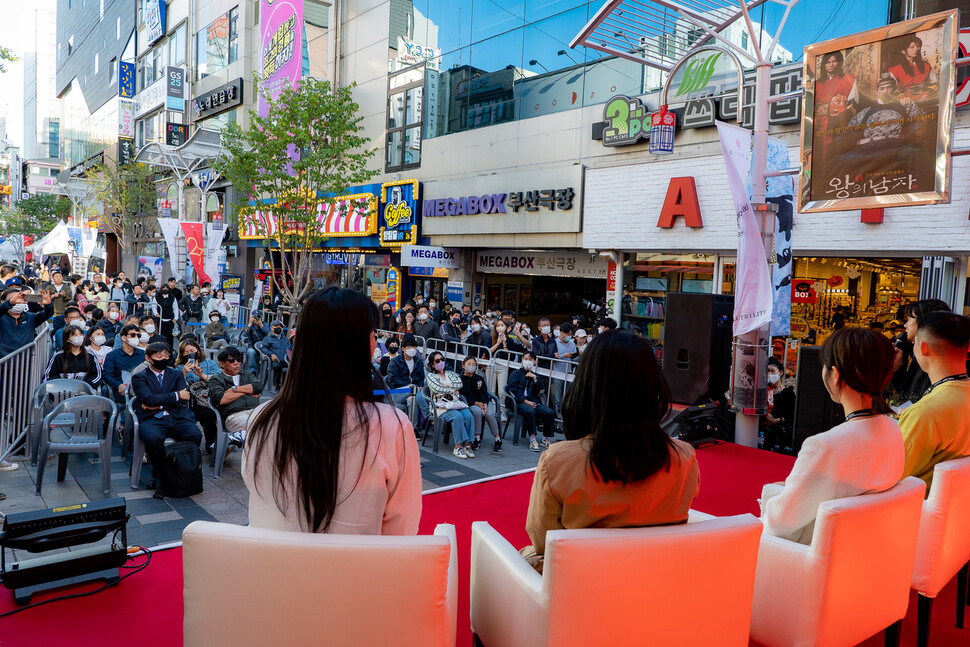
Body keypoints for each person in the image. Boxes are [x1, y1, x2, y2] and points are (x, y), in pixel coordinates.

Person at [243, 287, 421, 534]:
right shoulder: (395, 428)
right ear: (356, 347)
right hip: (362, 571)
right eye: (373, 335)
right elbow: (401, 530)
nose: (376, 343)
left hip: (274, 569)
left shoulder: (261, 421)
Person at [520, 330, 700, 573]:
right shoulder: (684, 456)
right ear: (652, 386)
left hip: (585, 591)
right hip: (659, 584)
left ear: (586, 385)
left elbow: (543, 543)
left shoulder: (557, 461)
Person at [760, 328, 904, 545]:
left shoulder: (826, 446)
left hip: (812, 559)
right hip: (866, 548)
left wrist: (770, 497)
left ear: (835, 375)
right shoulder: (895, 429)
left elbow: (778, 523)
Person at [898, 311, 970, 491]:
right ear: (968, 347)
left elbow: (891, 474)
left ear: (923, 348)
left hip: (917, 509)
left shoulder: (926, 413)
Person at [130, 342, 202, 497]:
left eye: (167, 355)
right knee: (153, 438)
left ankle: (183, 468)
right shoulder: (140, 377)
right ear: (148, 358)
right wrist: (174, 396)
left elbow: (184, 399)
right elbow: (148, 398)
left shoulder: (175, 374)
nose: (164, 358)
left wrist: (157, 403)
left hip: (177, 416)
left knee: (194, 434)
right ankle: (160, 472)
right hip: (152, 418)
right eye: (159, 356)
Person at [893, 298, 951, 403]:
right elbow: (907, 392)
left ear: (924, 322)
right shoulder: (917, 352)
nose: (906, 325)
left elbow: (912, 396)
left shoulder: (932, 358)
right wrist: (897, 367)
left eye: (909, 319)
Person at [208, 346, 263, 449]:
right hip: (234, 416)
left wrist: (235, 389)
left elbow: (258, 387)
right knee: (263, 427)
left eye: (238, 359)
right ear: (222, 363)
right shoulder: (216, 379)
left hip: (255, 411)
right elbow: (221, 399)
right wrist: (247, 392)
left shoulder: (246, 374)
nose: (236, 363)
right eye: (231, 360)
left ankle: (241, 434)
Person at [426, 351, 476, 459]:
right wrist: (451, 388)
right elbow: (436, 388)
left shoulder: (451, 374)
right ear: (432, 364)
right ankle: (457, 447)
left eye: (442, 359)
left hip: (455, 403)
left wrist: (445, 385)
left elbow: (459, 384)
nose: (441, 362)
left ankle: (467, 445)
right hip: (440, 406)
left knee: (468, 415)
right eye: (437, 361)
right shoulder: (431, 376)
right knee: (457, 417)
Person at [175, 339, 222, 453]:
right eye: (186, 352)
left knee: (209, 415)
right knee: (186, 421)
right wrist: (184, 373)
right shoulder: (180, 367)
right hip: (187, 400)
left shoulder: (208, 363)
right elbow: (175, 386)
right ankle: (188, 449)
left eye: (192, 350)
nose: (190, 353)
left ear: (198, 350)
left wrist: (202, 374)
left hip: (203, 399)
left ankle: (212, 447)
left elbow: (219, 379)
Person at [814, 51, 858, 163]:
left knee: (838, 154)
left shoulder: (848, 78)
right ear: (824, 65)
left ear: (839, 63)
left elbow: (854, 102)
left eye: (834, 61)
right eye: (828, 62)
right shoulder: (817, 84)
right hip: (819, 125)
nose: (831, 64)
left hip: (840, 121)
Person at [508, 351, 557, 451]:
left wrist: (535, 379)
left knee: (550, 412)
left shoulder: (536, 376)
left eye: (530, 359)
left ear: (534, 362)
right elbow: (514, 390)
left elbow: (540, 391)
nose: (528, 361)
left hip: (534, 402)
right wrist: (526, 401)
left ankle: (544, 438)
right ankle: (532, 439)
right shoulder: (515, 374)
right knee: (531, 411)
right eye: (525, 359)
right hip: (519, 402)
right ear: (522, 360)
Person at [460, 355, 502, 453]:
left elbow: (484, 392)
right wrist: (475, 403)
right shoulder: (460, 379)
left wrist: (485, 404)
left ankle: (497, 439)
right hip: (471, 404)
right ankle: (477, 438)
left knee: (489, 414)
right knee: (477, 412)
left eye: (473, 365)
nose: (471, 366)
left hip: (484, 402)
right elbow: (463, 395)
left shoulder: (479, 378)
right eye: (469, 364)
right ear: (463, 365)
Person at [0, 287, 53, 359]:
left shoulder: (31, 317)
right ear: (3, 301)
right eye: (14, 299)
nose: (18, 302)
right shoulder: (2, 317)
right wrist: (10, 303)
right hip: (4, 363)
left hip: (26, 362)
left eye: (21, 298)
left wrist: (48, 305)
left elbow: (48, 314)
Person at [386, 334, 430, 419]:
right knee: (414, 389)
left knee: (412, 401)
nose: (412, 349)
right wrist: (408, 386)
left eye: (414, 347)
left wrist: (420, 386)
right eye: (409, 347)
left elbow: (421, 378)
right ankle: (428, 415)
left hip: (413, 392)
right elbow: (392, 380)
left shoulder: (418, 361)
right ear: (403, 349)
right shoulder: (395, 362)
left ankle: (414, 428)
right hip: (397, 392)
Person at [103, 324, 147, 408]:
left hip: (141, 388)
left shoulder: (143, 354)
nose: (136, 338)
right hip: (121, 389)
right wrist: (118, 385)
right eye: (133, 335)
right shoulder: (112, 355)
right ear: (124, 338)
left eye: (138, 335)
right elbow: (107, 375)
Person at [888, 35, 938, 103]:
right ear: (903, 51)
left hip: (926, 100)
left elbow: (934, 83)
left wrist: (927, 93)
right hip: (906, 102)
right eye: (912, 47)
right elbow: (892, 89)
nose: (916, 49)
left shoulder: (926, 66)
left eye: (918, 46)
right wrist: (902, 96)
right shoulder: (894, 70)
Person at [762, 357, 795, 453]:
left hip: (782, 436)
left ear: (780, 372)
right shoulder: (764, 391)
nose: (770, 374)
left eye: (772, 371)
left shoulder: (789, 393)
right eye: (767, 371)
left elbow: (791, 415)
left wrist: (775, 421)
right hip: (765, 434)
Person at [261, 319, 291, 389]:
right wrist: (271, 354)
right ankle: (277, 384)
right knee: (277, 366)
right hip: (276, 360)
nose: (279, 328)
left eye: (280, 327)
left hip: (287, 359)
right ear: (271, 328)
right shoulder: (268, 339)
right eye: (276, 326)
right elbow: (263, 348)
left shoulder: (285, 339)